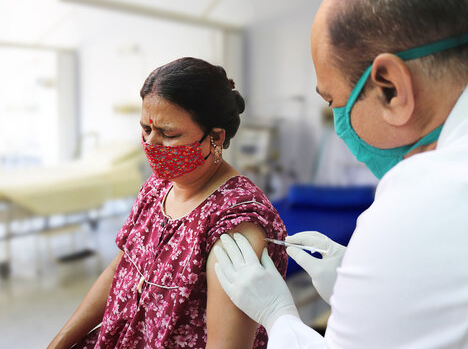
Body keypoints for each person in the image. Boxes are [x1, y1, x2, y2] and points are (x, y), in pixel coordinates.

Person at [213, 0, 468, 347]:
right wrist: (356, 283)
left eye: (334, 101)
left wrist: (278, 317)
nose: (340, 127)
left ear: (390, 87)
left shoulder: (427, 198)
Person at [47, 57, 288, 349]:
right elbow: (122, 269)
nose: (151, 144)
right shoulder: (158, 187)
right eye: (146, 130)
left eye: (168, 134)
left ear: (215, 137)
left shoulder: (235, 225)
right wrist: (59, 343)